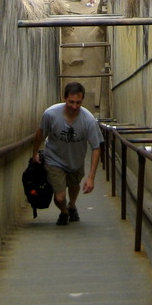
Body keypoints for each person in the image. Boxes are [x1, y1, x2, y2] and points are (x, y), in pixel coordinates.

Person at [32, 82, 103, 225]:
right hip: (54, 159)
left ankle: (72, 206)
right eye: (71, 102)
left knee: (74, 185)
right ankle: (64, 212)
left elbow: (96, 147)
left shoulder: (88, 120)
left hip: (76, 160)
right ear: (64, 98)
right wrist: (35, 152)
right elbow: (40, 132)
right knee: (59, 197)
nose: (74, 106)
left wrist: (91, 177)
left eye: (78, 102)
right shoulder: (51, 114)